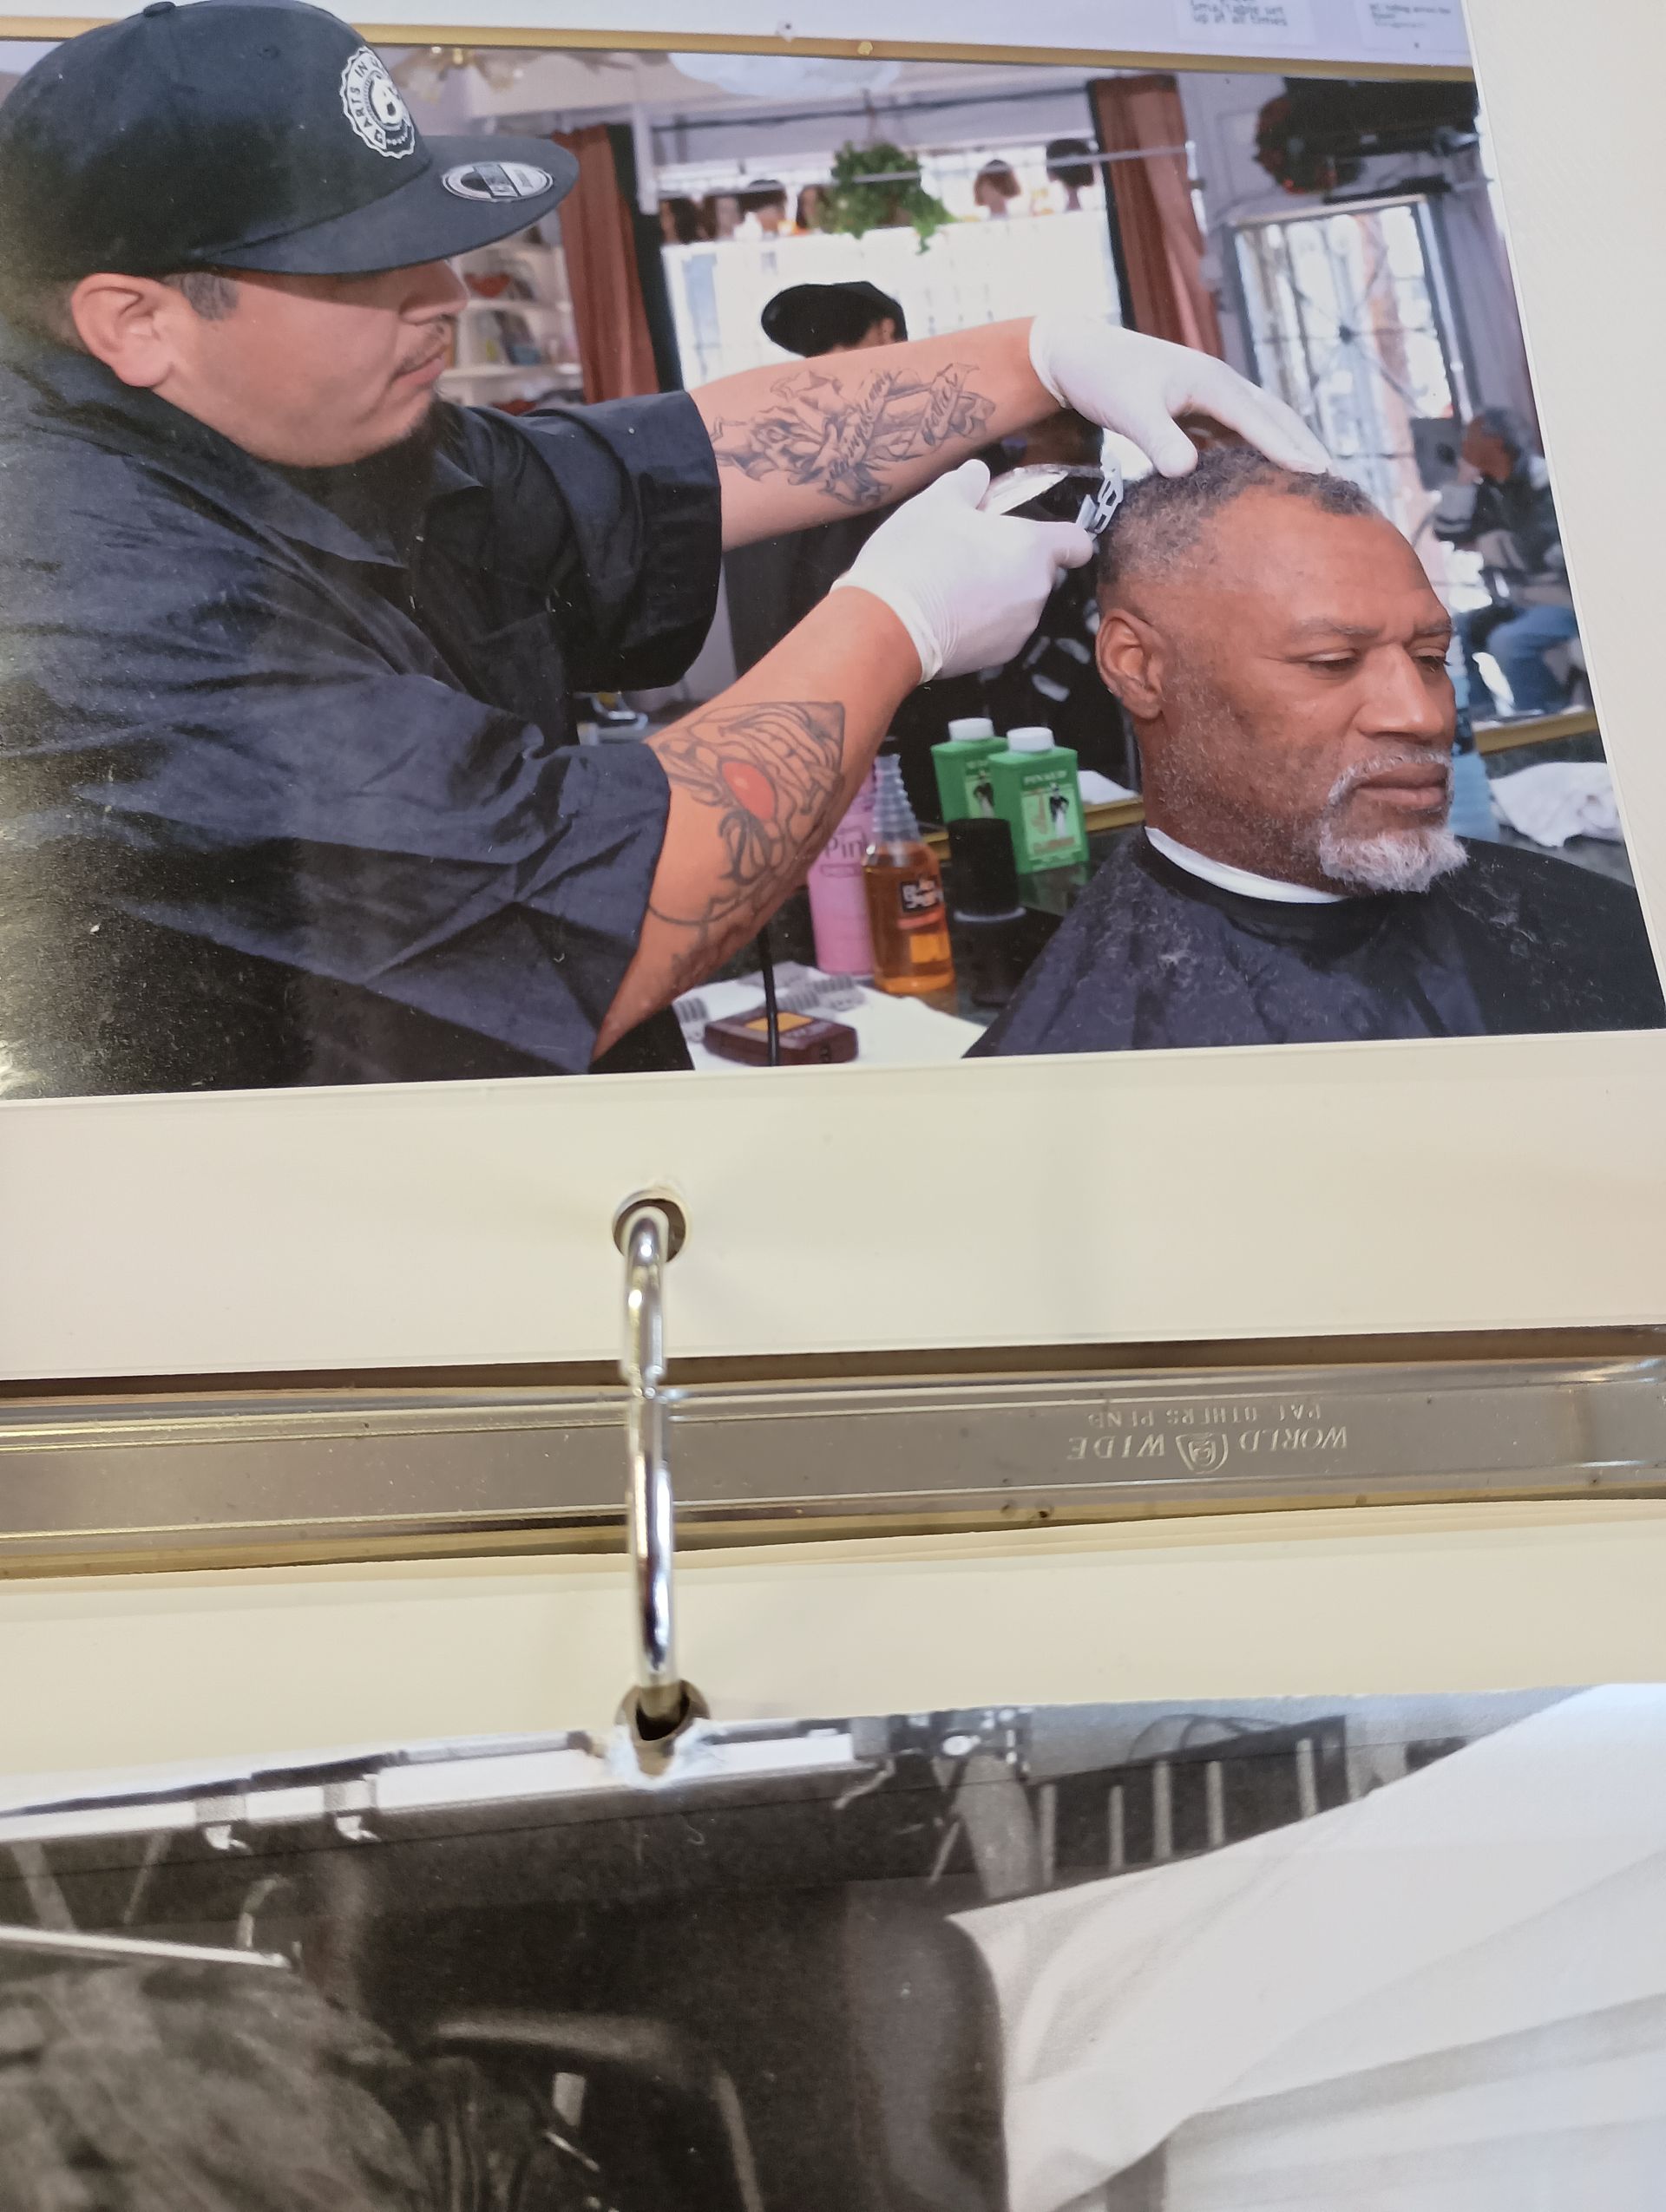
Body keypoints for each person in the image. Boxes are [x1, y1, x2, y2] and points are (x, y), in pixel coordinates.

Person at [0, 0, 1326, 1098]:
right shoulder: (80, 589)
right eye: (362, 270)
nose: (447, 296)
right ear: (136, 321)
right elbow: (589, 911)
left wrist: (1040, 353)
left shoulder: (309, 429)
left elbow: (672, 459)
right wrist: (897, 623)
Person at [971, 447, 1663, 1057]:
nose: (1422, 715)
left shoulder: (1602, 926)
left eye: (1430, 657)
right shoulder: (1071, 1065)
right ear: (1140, 667)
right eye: (1333, 661)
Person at [1433, 406, 1579, 718]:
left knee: (1507, 642)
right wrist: (1461, 483)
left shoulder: (1543, 481)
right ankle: (1482, 717)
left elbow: (1539, 551)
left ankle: (1547, 718)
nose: (1464, 446)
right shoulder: (1489, 490)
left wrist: (1488, 543)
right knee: (1451, 632)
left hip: (1564, 603)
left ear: (1496, 442)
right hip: (1523, 601)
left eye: (1471, 438)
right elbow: (1447, 530)